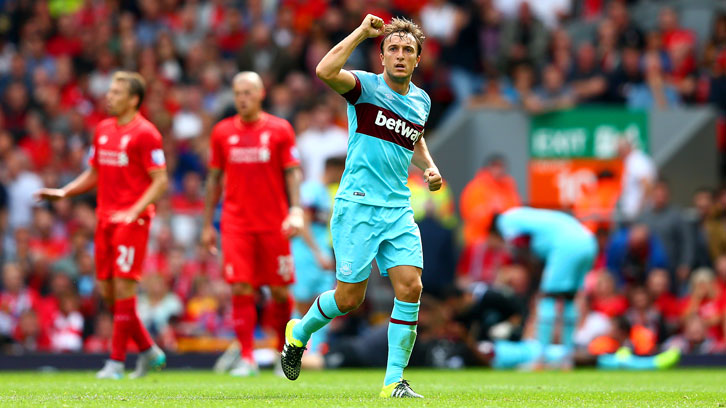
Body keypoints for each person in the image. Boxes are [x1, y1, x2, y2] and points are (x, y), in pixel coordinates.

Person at [281, 15, 442, 399]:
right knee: (349, 299)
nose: (400, 56)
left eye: (408, 50)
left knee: (411, 286)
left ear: (418, 59)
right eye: (393, 49)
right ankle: (299, 332)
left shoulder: (422, 100)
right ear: (382, 56)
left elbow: (414, 138)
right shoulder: (364, 88)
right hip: (357, 207)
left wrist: (430, 166)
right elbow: (323, 70)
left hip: (398, 209)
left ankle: (393, 382)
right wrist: (359, 33)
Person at [36, 71, 168, 379]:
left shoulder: (147, 134)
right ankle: (149, 351)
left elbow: (159, 181)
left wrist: (134, 210)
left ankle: (116, 362)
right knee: (110, 296)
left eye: (117, 92)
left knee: (124, 288)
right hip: (105, 219)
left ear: (134, 99)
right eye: (109, 91)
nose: (109, 96)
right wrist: (65, 191)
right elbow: (95, 171)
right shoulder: (103, 129)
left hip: (132, 221)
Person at [201, 71, 304, 377]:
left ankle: (279, 355)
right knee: (241, 287)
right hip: (235, 223)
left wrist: (296, 209)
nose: (242, 98)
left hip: (274, 223)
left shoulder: (280, 129)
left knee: (280, 292)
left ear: (261, 94)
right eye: (237, 93)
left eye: (248, 92)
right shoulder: (221, 132)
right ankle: (246, 357)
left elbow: (292, 171)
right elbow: (214, 179)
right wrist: (208, 223)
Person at [492, 207, 597, 366]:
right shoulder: (529, 215)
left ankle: (539, 359)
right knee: (569, 299)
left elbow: (517, 245)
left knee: (548, 298)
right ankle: (567, 358)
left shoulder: (505, 220)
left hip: (566, 247)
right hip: (589, 243)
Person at [290, 157, 345, 367]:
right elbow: (302, 222)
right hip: (306, 256)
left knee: (326, 303)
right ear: (333, 168)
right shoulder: (311, 189)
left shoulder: (326, 194)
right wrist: (316, 253)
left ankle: (315, 353)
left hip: (322, 257)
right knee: (302, 303)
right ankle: (293, 349)